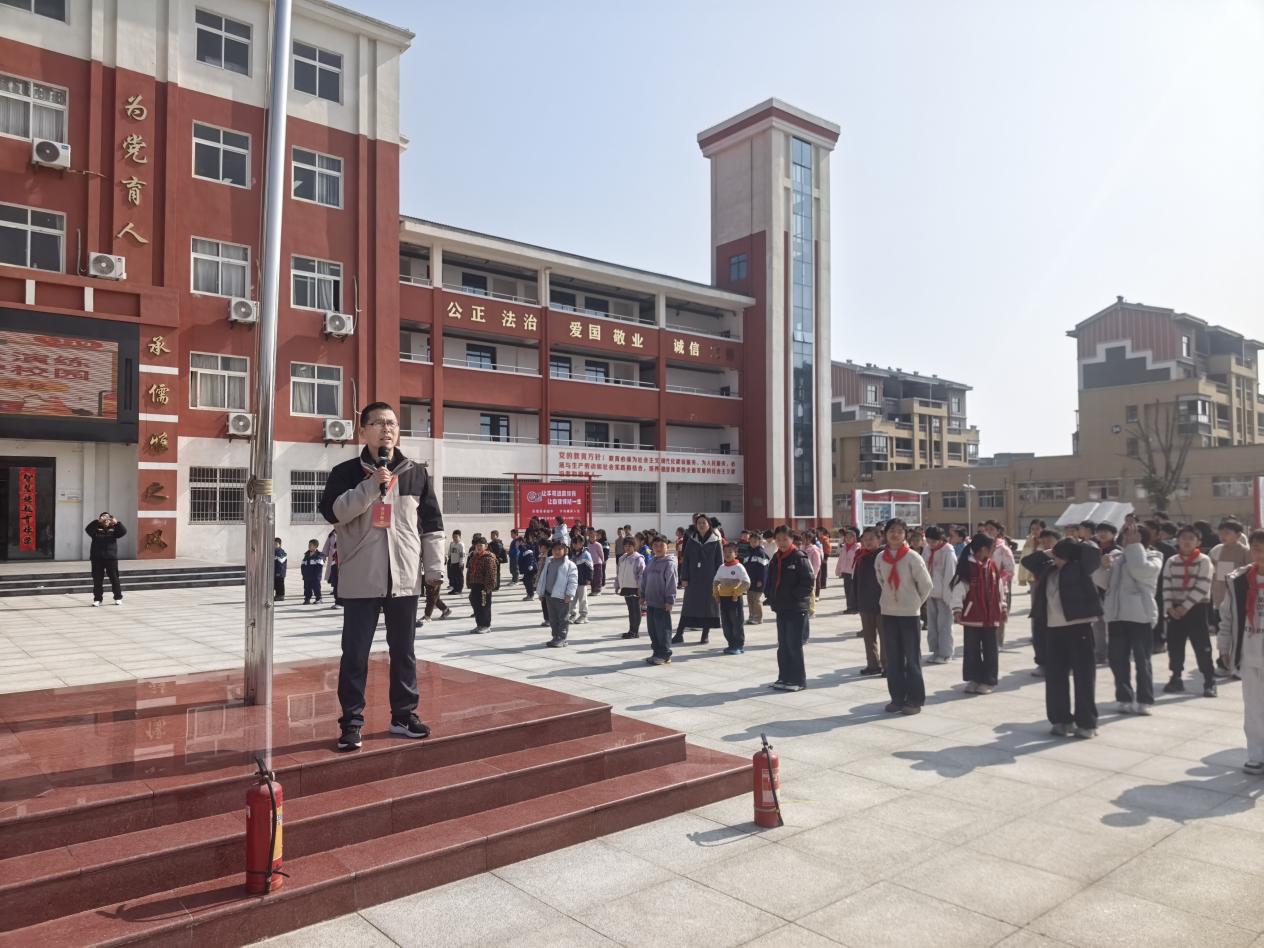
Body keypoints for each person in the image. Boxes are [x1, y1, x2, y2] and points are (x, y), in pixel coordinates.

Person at [319, 401, 444, 751]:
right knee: (355, 654)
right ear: (363, 431)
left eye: (392, 423)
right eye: (378, 423)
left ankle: (403, 716)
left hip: (404, 577)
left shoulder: (416, 473)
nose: (387, 429)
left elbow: (432, 524)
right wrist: (371, 486)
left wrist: (434, 570)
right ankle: (351, 722)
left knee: (404, 652)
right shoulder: (345, 472)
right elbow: (334, 513)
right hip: (361, 578)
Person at [1023, 536, 1103, 738]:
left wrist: (1076, 545)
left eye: (1059, 556)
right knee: (1055, 677)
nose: (1055, 559)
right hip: (1053, 629)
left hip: (1079, 627)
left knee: (1084, 677)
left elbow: (1093, 553)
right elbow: (1027, 562)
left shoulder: (1081, 568)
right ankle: (1061, 720)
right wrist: (1050, 552)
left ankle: (1086, 723)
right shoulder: (1049, 569)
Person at [1095, 522, 1162, 716]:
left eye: (1134, 536)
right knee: (1117, 660)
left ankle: (1144, 699)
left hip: (1140, 616)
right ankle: (1124, 697)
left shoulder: (1154, 556)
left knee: (1142, 660)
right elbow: (1103, 582)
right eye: (1126, 536)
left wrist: (1134, 547)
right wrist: (1102, 568)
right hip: (1116, 615)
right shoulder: (1117, 557)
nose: (1128, 540)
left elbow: (1140, 570)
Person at [1216, 529, 1264, 775]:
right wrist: (1224, 644)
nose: (1260, 553)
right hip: (1249, 653)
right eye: (1256, 548)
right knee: (1253, 708)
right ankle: (1256, 755)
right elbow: (1227, 615)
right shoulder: (1239, 580)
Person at [876, 518, 933, 715]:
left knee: (912, 658)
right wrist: (890, 599)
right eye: (892, 530)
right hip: (888, 612)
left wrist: (914, 602)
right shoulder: (880, 557)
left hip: (909, 614)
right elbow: (881, 581)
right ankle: (897, 698)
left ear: (905, 535)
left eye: (900, 531)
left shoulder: (912, 557)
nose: (895, 534)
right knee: (893, 658)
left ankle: (914, 699)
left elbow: (926, 585)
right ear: (885, 533)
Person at [1162, 525, 1217, 698]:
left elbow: (1203, 585)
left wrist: (1185, 607)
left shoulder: (1204, 561)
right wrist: (1169, 607)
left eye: (1191, 538)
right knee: (1175, 644)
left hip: (1197, 607)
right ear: (1177, 541)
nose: (1186, 541)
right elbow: (1166, 585)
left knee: (1202, 645)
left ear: (1198, 542)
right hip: (1175, 609)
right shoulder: (1171, 561)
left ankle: (1209, 680)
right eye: (1183, 538)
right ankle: (1176, 677)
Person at [951, 533, 1005, 694]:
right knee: (971, 650)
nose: (993, 550)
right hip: (973, 616)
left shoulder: (992, 565)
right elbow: (959, 589)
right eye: (992, 547)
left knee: (990, 650)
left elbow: (999, 588)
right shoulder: (968, 566)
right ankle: (974, 679)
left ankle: (988, 681)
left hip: (991, 616)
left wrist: (1003, 606)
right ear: (982, 549)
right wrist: (957, 609)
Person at [765, 525, 814, 691]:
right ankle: (784, 677)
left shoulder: (799, 557)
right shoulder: (776, 557)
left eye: (785, 539)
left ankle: (798, 680)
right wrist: (770, 595)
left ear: (792, 539)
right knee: (783, 645)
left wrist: (795, 597)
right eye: (778, 539)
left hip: (796, 608)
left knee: (794, 645)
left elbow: (808, 582)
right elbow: (770, 579)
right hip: (781, 608)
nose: (781, 543)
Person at [675, 513, 724, 645]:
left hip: (710, 579)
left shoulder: (715, 541)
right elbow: (686, 560)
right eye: (699, 523)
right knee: (688, 606)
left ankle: (705, 635)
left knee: (708, 607)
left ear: (709, 525)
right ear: (696, 525)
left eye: (704, 523)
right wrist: (684, 577)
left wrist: (719, 580)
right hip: (693, 579)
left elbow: (719, 562)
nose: (701, 525)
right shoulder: (692, 541)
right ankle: (679, 634)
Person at [1211, 519, 1252, 676]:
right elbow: (1215, 575)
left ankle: (1238, 665)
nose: (1223, 536)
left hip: (1239, 601)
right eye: (1221, 533)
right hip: (1220, 599)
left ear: (1238, 535)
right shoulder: (1217, 550)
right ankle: (1223, 663)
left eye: (1227, 533)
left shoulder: (1245, 552)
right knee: (1222, 633)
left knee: (1238, 633)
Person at [640, 536, 679, 665]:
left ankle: (665, 654)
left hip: (662, 603)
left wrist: (670, 600)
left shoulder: (669, 563)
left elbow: (671, 583)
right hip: (651, 602)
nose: (658, 548)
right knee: (653, 630)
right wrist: (642, 594)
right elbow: (644, 579)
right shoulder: (651, 562)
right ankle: (656, 653)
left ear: (667, 547)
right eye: (655, 545)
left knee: (663, 630)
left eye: (661, 545)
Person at [922, 525, 957, 664]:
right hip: (930, 592)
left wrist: (949, 596)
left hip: (943, 594)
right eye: (928, 541)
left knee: (944, 625)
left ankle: (945, 653)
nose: (931, 544)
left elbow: (951, 574)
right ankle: (935, 651)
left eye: (934, 541)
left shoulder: (948, 551)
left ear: (941, 539)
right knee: (932, 625)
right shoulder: (927, 549)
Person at [853, 526, 884, 675]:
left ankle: (887, 666)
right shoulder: (861, 556)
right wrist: (856, 601)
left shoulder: (884, 556)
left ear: (879, 539)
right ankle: (873, 665)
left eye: (871, 539)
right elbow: (856, 581)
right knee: (869, 637)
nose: (868, 542)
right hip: (865, 602)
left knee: (885, 637)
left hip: (882, 603)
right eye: (865, 539)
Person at [713, 541, 751, 655]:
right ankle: (731, 644)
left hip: (734, 599)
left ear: (736, 553)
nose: (727, 554)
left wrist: (736, 593)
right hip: (723, 599)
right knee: (726, 623)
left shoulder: (739, 567)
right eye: (725, 552)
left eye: (730, 552)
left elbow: (746, 582)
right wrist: (716, 594)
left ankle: (738, 645)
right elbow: (716, 581)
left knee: (736, 622)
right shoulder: (722, 567)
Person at [538, 540, 578, 647]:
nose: (557, 551)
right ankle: (555, 636)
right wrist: (541, 593)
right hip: (549, 595)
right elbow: (543, 578)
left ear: (565, 550)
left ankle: (562, 638)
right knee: (552, 618)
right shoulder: (549, 562)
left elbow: (573, 581)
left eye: (560, 549)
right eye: (555, 549)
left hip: (562, 596)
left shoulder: (570, 565)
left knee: (563, 618)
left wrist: (569, 594)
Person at [85, 511, 127, 606]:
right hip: (97, 558)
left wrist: (117, 523)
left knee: (114, 578)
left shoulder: (114, 529)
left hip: (111, 558)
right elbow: (88, 529)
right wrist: (97, 522)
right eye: (103, 517)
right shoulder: (96, 529)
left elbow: (123, 532)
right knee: (97, 580)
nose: (106, 519)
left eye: (108, 518)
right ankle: (97, 599)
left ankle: (118, 598)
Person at [465, 534, 499, 634]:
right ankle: (479, 624)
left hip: (484, 586)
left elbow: (491, 573)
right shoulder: (474, 557)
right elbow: (470, 570)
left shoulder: (489, 558)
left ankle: (486, 625)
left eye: (481, 545)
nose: (478, 547)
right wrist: (469, 582)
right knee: (475, 603)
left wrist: (489, 587)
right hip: (475, 584)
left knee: (484, 605)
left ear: (486, 546)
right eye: (477, 545)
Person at [616, 537, 645, 639]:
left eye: (630, 546)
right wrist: (617, 584)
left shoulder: (638, 559)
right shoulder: (622, 558)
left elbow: (642, 575)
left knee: (636, 610)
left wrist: (640, 588)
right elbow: (619, 572)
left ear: (634, 546)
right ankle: (631, 630)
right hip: (626, 587)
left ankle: (635, 631)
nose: (627, 548)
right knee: (630, 610)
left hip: (635, 588)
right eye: (625, 546)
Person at [835, 527, 860, 614]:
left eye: (850, 537)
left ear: (855, 538)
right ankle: (849, 607)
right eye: (846, 537)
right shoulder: (844, 547)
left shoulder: (858, 548)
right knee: (847, 590)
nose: (848, 539)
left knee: (854, 590)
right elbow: (840, 560)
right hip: (845, 572)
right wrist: (838, 570)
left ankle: (855, 607)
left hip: (854, 572)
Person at [744, 541, 769, 625]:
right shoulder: (748, 553)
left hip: (758, 581)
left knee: (756, 600)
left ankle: (758, 618)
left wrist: (761, 580)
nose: (753, 543)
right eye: (752, 540)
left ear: (759, 542)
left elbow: (764, 569)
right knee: (750, 599)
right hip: (749, 581)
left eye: (755, 541)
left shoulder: (761, 553)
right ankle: (751, 617)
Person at [569, 536, 593, 623]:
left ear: (582, 543)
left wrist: (589, 578)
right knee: (572, 599)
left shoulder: (586, 554)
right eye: (574, 543)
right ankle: (572, 615)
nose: (575, 545)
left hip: (582, 580)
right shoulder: (572, 553)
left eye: (578, 543)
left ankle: (583, 616)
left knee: (582, 599)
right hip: (573, 581)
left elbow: (590, 567)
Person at [301, 539, 325, 605]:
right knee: (307, 588)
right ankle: (307, 599)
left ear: (315, 546)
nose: (309, 546)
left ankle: (319, 599)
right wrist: (304, 573)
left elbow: (319, 567)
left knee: (316, 588)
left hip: (315, 576)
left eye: (310, 545)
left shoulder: (319, 555)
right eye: (308, 545)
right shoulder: (306, 555)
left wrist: (316, 575)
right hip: (307, 576)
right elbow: (303, 565)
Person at [321, 529, 342, 608]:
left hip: (344, 562)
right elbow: (327, 545)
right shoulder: (331, 534)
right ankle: (338, 602)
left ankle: (342, 601)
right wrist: (323, 555)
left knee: (341, 583)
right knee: (335, 581)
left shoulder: (346, 531)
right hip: (333, 561)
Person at [446, 530, 465, 595]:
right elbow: (450, 553)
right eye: (453, 537)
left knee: (459, 577)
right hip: (453, 563)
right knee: (453, 577)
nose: (454, 538)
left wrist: (461, 563)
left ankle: (459, 589)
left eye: (456, 537)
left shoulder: (461, 545)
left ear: (460, 537)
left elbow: (462, 555)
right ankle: (455, 589)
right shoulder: (452, 544)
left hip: (459, 563)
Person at [588, 531, 606, 596]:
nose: (592, 538)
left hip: (598, 563)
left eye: (593, 537)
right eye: (591, 537)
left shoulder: (598, 544)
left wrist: (603, 560)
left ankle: (598, 590)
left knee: (598, 577)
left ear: (596, 537)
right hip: (591, 564)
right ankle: (593, 590)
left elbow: (601, 553)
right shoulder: (588, 545)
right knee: (592, 578)